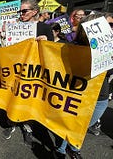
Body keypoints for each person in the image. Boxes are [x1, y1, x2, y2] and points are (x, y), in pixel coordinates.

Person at [54, 13, 113, 159]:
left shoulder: (110, 47)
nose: (110, 29)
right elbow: (53, 57)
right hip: (77, 94)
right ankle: (62, 150)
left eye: (112, 25)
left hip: (100, 97)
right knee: (73, 125)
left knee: (82, 126)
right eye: (108, 25)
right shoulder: (72, 47)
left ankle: (72, 147)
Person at [2, 0, 54, 146]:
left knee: (28, 99)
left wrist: (46, 42)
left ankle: (27, 128)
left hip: (33, 72)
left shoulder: (44, 28)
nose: (21, 14)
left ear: (34, 12)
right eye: (20, 11)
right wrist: (3, 36)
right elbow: (7, 48)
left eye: (24, 11)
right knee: (13, 96)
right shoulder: (15, 26)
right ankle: (11, 121)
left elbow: (52, 52)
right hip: (15, 70)